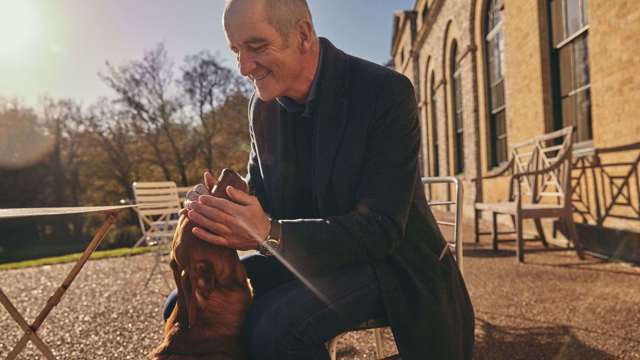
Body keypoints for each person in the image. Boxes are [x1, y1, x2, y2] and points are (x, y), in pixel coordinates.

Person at [165, 0, 475, 358]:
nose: (243, 67)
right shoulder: (261, 108)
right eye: (236, 50)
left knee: (274, 328)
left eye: (256, 47)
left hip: (391, 264)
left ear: (303, 34)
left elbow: (382, 229)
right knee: (180, 305)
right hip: (309, 257)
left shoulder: (386, 93)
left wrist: (268, 231)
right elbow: (265, 200)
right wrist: (220, 209)